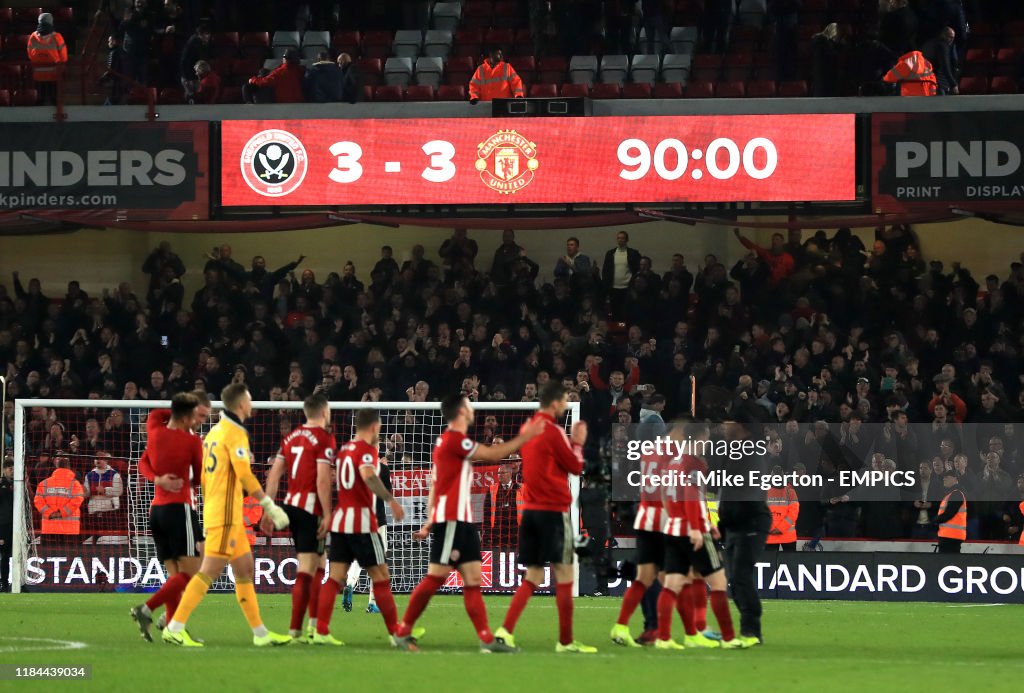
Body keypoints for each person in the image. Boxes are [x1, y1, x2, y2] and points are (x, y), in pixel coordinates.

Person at [392, 393, 543, 652]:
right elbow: (492, 453)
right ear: (462, 411)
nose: (473, 409)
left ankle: (486, 640)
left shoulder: (447, 442)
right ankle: (402, 631)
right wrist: (526, 437)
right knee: (436, 577)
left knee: (473, 578)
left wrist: (429, 520)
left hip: (462, 522)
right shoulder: (454, 440)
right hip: (451, 520)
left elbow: (435, 484)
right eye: (469, 406)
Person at [162, 383, 292, 647]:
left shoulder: (213, 433)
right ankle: (174, 627)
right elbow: (244, 474)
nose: (252, 404)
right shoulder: (235, 432)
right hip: (224, 515)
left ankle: (260, 634)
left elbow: (206, 476)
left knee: (245, 569)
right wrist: (269, 505)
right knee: (208, 571)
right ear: (241, 404)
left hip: (224, 511)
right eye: (250, 399)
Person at [496, 382, 596, 654]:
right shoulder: (553, 432)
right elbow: (575, 466)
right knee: (565, 574)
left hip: (530, 511)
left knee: (534, 575)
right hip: (553, 512)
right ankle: (565, 641)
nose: (564, 407)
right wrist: (578, 442)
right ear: (554, 403)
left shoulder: (527, 430)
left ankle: (504, 632)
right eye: (563, 403)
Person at [313, 409, 407, 645]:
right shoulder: (366, 452)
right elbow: (368, 476)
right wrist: (391, 500)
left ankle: (319, 630)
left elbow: (328, 480)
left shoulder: (344, 450)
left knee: (334, 578)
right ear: (373, 427)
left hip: (341, 520)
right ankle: (397, 633)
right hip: (362, 522)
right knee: (381, 576)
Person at [657, 421, 753, 649]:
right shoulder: (694, 463)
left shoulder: (673, 463)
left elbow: (665, 495)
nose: (708, 443)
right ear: (699, 438)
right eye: (706, 439)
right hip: (692, 531)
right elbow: (691, 494)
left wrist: (696, 522)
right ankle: (729, 638)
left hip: (673, 528)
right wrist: (696, 527)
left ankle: (671, 636)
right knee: (719, 582)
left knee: (675, 583)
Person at [129, 393, 204, 642]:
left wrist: (158, 479)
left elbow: (142, 462)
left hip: (156, 511)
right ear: (186, 416)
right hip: (179, 508)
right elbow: (199, 478)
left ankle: (173, 628)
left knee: (174, 577)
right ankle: (147, 608)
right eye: (195, 415)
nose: (197, 420)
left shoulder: (153, 429)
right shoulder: (191, 442)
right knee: (193, 573)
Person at [264, 393, 336, 642]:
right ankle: (296, 630)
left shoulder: (291, 437)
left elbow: (274, 475)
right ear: (324, 412)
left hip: (290, 506)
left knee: (318, 563)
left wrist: (268, 508)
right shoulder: (324, 439)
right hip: (310, 509)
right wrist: (327, 513)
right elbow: (323, 479)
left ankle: (313, 627)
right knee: (307, 567)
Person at [717, 420, 770, 645]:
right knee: (735, 579)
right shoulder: (734, 452)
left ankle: (751, 630)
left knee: (741, 576)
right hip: (733, 524)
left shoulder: (750, 453)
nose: (723, 428)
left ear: (740, 427)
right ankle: (749, 627)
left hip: (750, 522)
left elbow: (746, 491)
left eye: (728, 424)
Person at [33, 456, 84, 545]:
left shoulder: (44, 483)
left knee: (48, 556)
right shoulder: (75, 484)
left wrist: (50, 513)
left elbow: (38, 501)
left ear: (57, 467)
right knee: (69, 557)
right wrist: (62, 513)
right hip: (70, 529)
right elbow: (77, 500)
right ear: (69, 467)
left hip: (49, 528)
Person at [27, 12, 68, 106]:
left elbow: (30, 54)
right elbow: (64, 57)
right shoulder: (57, 36)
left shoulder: (32, 36)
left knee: (40, 100)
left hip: (38, 75)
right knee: (55, 100)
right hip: (54, 74)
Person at [602, 231, 642, 318]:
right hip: (614, 288)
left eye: (622, 238)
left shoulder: (633, 253)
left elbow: (638, 269)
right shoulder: (610, 254)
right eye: (618, 238)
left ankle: (626, 329)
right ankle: (617, 329)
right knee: (615, 312)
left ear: (627, 240)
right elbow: (605, 271)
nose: (620, 240)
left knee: (627, 312)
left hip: (627, 288)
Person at [482, 464, 522, 549]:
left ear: (510, 474)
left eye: (503, 473)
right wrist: (488, 530)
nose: (500, 475)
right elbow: (486, 511)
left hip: (516, 528)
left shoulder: (520, 488)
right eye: (499, 473)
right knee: (500, 554)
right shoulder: (491, 489)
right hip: (498, 529)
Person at [765, 465, 799, 551]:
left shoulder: (764, 491)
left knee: (771, 563)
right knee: (789, 563)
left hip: (771, 535)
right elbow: (793, 514)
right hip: (786, 535)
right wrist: (781, 528)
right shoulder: (790, 492)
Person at [934, 470, 967, 553]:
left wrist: (935, 520)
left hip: (951, 536)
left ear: (955, 479)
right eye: (943, 478)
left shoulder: (956, 494)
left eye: (947, 478)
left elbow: (950, 513)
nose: (944, 479)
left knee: (948, 563)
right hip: (950, 535)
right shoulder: (952, 494)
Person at [920, 27, 958, 95]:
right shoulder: (943, 46)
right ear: (943, 35)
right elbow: (945, 66)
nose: (952, 40)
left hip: (926, 80)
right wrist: (953, 84)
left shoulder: (929, 43)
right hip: (939, 82)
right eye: (950, 37)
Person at [179, 23, 212, 101]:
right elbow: (184, 63)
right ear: (200, 34)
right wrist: (189, 78)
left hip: (192, 76)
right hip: (190, 78)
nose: (208, 36)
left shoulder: (199, 43)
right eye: (206, 34)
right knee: (192, 98)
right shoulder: (194, 45)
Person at [0, 457, 13, 592]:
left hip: (15, 526)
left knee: (15, 555)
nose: (12, 471)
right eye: (10, 469)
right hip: (4, 527)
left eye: (14, 469)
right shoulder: (2, 485)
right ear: (4, 470)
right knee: (4, 556)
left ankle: (18, 583)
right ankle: (4, 583)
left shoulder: (18, 485)